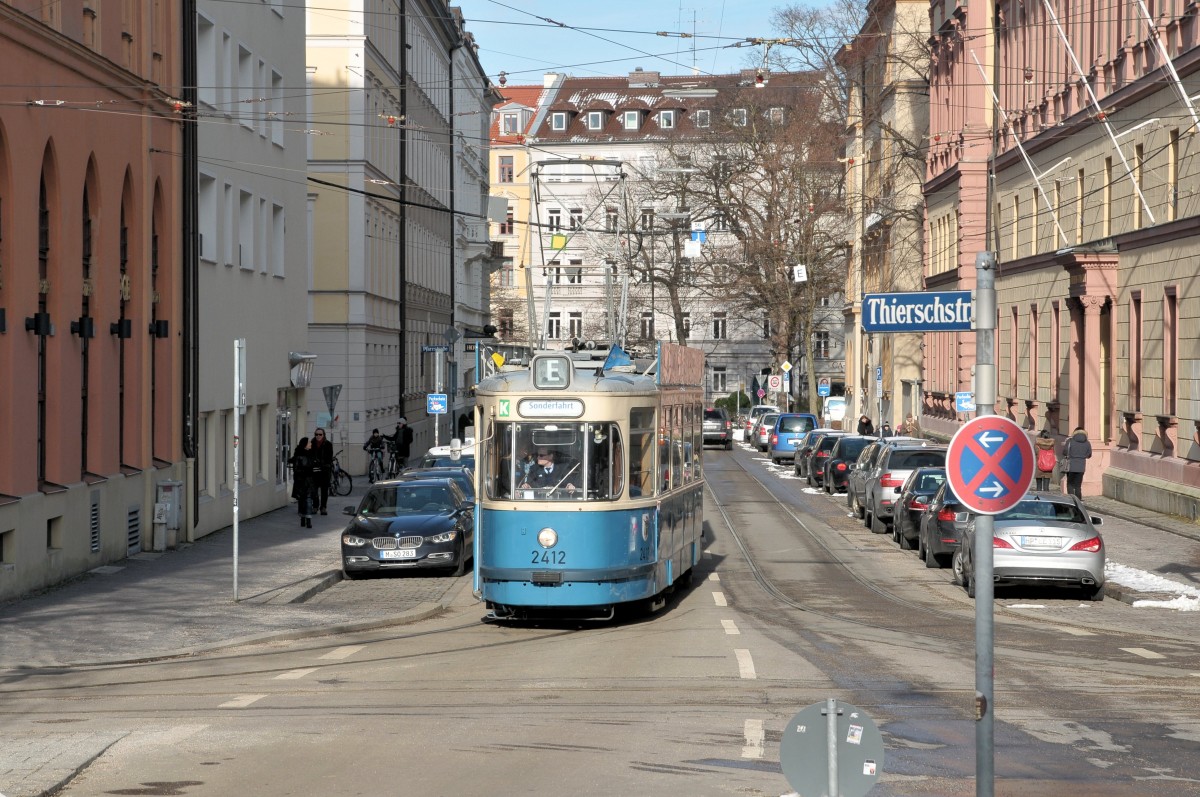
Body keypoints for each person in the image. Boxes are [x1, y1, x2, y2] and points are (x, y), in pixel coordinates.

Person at [289, 437, 316, 528]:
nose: (311, 444)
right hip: (301, 481)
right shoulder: (299, 455)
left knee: (308, 499)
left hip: (309, 481)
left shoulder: (311, 453)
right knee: (302, 500)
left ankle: (308, 520)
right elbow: (296, 469)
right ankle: (303, 518)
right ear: (305, 445)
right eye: (309, 442)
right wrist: (306, 472)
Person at [1061, 426, 1092, 499]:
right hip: (1081, 466)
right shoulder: (1087, 442)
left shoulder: (1070, 441)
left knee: (1070, 484)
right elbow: (1089, 455)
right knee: (1078, 485)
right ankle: (1078, 499)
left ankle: (1071, 499)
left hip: (1071, 465)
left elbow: (1065, 452)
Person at [311, 427, 334, 515]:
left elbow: (329, 457)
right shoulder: (311, 443)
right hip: (314, 470)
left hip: (324, 470)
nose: (318, 436)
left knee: (324, 490)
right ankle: (315, 506)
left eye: (320, 434)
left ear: (323, 435)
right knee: (314, 490)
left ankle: (323, 507)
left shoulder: (328, 444)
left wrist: (324, 464)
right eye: (316, 434)